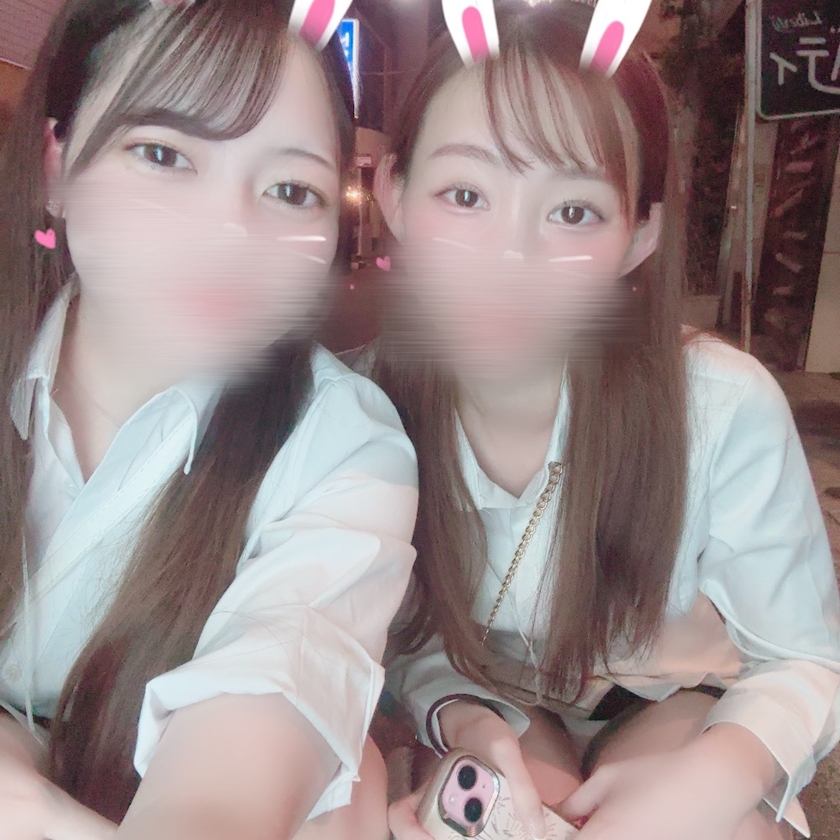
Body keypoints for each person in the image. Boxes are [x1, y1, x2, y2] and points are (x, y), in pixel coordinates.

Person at [357, 2, 840, 838]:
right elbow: (395, 636)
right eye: (465, 194)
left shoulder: (717, 405)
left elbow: (806, 654)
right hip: (493, 702)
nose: (511, 258)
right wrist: (467, 718)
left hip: (679, 700)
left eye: (573, 211)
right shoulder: (360, 411)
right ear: (393, 192)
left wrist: (720, 775)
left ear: (640, 234)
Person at [0, 1, 418, 838]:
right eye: (163, 154)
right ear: (56, 165)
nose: (230, 235)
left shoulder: (342, 448)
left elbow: (257, 726)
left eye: (290, 190)